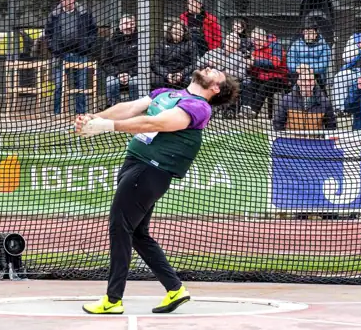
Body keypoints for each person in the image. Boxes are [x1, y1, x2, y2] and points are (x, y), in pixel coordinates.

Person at [74, 67, 240, 315]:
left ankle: (113, 299)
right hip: (136, 163)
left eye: (217, 73)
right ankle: (175, 290)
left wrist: (107, 126)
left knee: (120, 226)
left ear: (215, 88)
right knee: (138, 233)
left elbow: (156, 122)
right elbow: (129, 108)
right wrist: (93, 118)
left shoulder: (199, 107)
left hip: (151, 170)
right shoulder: (167, 93)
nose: (210, 67)